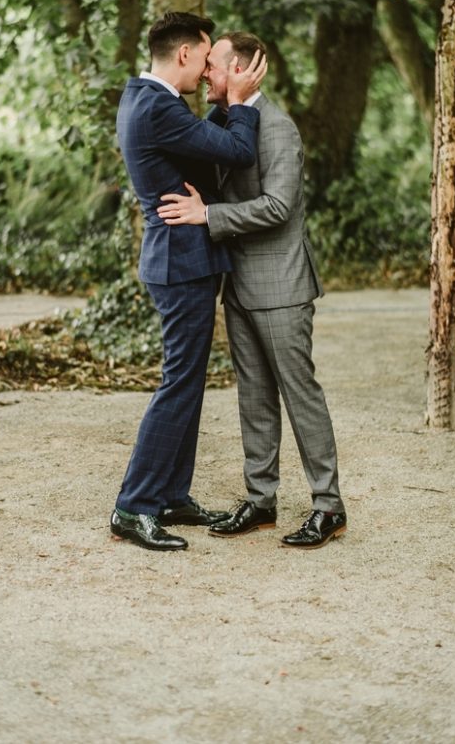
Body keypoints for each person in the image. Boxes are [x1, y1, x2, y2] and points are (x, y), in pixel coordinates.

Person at [157, 31, 346, 549]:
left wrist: (206, 214)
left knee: (299, 395)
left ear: (240, 69)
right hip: (238, 285)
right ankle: (261, 500)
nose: (205, 73)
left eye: (214, 64)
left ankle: (328, 507)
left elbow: (277, 207)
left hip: (281, 285)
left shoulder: (279, 128)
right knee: (255, 398)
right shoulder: (225, 120)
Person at [110, 13, 267, 552]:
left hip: (182, 260)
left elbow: (202, 143)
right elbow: (239, 151)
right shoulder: (157, 107)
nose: (207, 72)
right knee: (178, 383)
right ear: (183, 54)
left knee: (188, 381)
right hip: (181, 263)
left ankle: (172, 494)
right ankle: (134, 505)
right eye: (205, 59)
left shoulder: (145, 99)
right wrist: (242, 103)